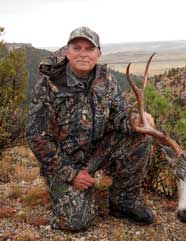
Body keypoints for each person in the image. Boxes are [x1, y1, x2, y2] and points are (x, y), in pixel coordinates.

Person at [26, 26, 155, 231]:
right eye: (77, 48)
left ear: (98, 53)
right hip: (65, 161)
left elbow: (119, 115)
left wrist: (136, 120)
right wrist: (71, 174)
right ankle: (68, 194)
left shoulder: (106, 80)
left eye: (89, 48)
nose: (83, 54)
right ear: (67, 52)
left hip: (97, 152)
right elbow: (37, 138)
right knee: (76, 222)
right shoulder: (48, 86)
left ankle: (124, 200)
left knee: (140, 138)